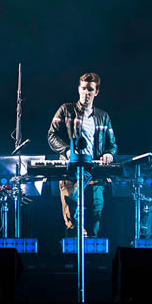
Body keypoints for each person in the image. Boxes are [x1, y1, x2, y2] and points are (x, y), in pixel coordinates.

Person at [48, 72, 117, 237]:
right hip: (70, 171)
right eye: (84, 88)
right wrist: (66, 150)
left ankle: (93, 258)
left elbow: (112, 145)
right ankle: (71, 259)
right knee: (73, 221)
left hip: (94, 172)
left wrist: (109, 154)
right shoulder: (65, 110)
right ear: (79, 89)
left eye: (90, 89)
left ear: (96, 92)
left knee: (95, 216)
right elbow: (52, 136)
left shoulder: (103, 117)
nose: (87, 93)